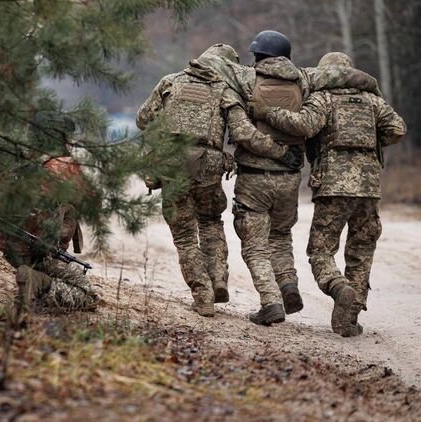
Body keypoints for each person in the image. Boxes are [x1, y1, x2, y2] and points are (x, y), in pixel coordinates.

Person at [211, 30, 381, 326]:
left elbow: (212, 67)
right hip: (290, 176)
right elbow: (340, 75)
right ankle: (288, 285)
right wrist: (372, 84)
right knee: (280, 236)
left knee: (254, 245)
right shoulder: (304, 78)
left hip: (254, 178)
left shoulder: (245, 77)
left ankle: (271, 302)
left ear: (258, 55)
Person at [248, 52, 406, 336]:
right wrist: (368, 144)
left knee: (321, 251)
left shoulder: (322, 98)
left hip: (333, 186)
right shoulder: (373, 101)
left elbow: (304, 126)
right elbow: (397, 129)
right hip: (369, 188)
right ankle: (350, 317)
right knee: (361, 250)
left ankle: (338, 286)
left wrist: (268, 112)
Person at [136, 44, 239, 317]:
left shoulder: (170, 82)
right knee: (211, 222)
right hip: (209, 162)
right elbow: (239, 130)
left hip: (174, 162)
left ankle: (203, 294)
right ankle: (218, 276)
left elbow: (143, 119)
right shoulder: (225, 90)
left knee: (184, 237)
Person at [0, 113, 100, 313]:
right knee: (88, 296)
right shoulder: (64, 165)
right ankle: (39, 282)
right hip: (44, 254)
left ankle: (33, 279)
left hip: (12, 251)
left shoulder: (19, 164)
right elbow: (93, 203)